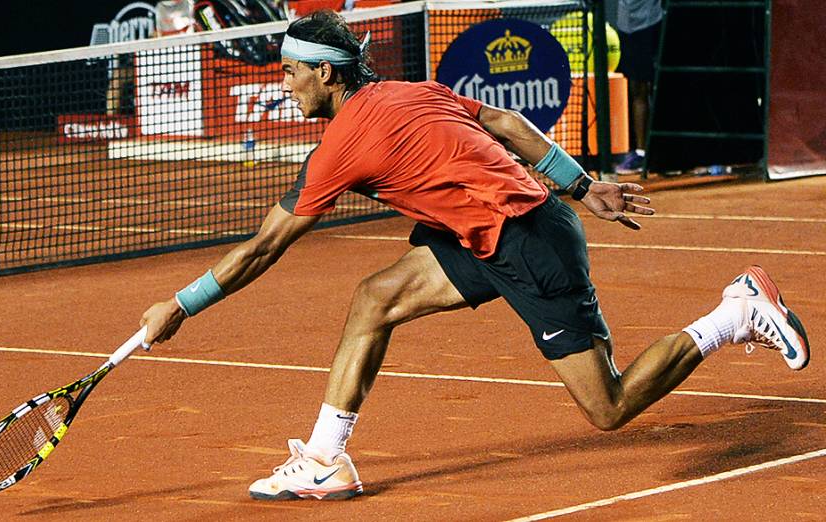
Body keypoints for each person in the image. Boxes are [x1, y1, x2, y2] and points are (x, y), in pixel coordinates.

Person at [139, 10, 811, 501]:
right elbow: (506, 123)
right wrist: (582, 184)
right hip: (490, 233)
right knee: (375, 297)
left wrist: (181, 304)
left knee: (607, 407)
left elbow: (263, 250)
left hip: (528, 243)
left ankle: (732, 312)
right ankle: (324, 458)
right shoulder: (409, 91)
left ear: (325, 72)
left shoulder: (341, 144)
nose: (287, 85)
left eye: (291, 72)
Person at [614, 0, 663, 174]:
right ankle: (641, 154)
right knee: (637, 89)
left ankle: (664, 154)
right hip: (627, 27)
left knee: (660, 89)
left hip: (653, 23)